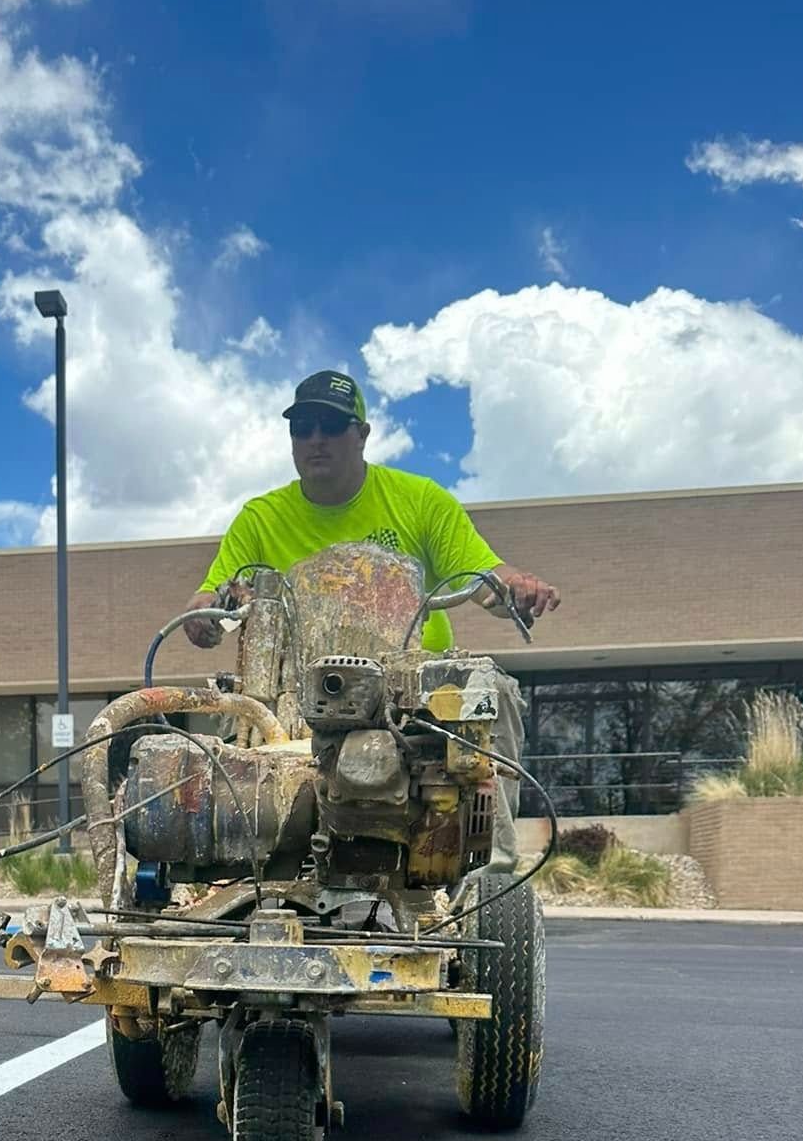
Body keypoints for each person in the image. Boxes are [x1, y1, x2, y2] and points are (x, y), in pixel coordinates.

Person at [183, 370, 560, 868]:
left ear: (361, 434)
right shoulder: (260, 518)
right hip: (295, 690)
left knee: (490, 694)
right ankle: (234, 860)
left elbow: (482, 575)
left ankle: (488, 867)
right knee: (234, 715)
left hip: (410, 689)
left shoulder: (420, 500)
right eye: (303, 427)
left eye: (332, 426)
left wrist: (514, 586)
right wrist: (201, 613)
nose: (316, 439)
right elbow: (214, 595)